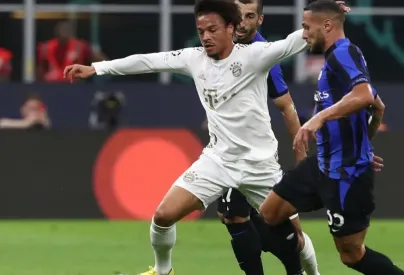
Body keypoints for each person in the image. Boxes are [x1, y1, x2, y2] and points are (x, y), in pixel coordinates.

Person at [64, 0, 313, 274]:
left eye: (213, 30)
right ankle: (163, 271)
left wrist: (326, 17)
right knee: (162, 216)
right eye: (201, 30)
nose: (205, 36)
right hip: (218, 163)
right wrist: (97, 69)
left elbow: (294, 41)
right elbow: (147, 61)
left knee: (295, 236)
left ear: (231, 28)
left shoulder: (255, 56)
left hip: (260, 167)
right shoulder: (194, 58)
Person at [259, 1, 404, 275]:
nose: (304, 34)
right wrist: (362, 144)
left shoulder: (343, 54)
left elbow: (364, 96)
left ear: (326, 25)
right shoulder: (338, 58)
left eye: (306, 27)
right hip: (323, 165)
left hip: (347, 174)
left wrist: (319, 118)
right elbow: (379, 106)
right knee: (270, 214)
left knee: (351, 255)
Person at [214, 0, 329, 274]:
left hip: (256, 156)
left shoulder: (262, 55)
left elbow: (286, 107)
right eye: (238, 16)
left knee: (284, 225)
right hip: (228, 154)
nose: (242, 22)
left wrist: (301, 159)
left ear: (260, 20)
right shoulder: (221, 44)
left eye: (249, 16)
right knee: (232, 215)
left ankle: (306, 271)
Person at [37, 20, 105, 82]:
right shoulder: (47, 47)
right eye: (62, 30)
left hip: (73, 86)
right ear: (56, 31)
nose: (64, 32)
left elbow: (99, 59)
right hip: (52, 85)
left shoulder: (79, 46)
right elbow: (40, 69)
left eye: (67, 30)